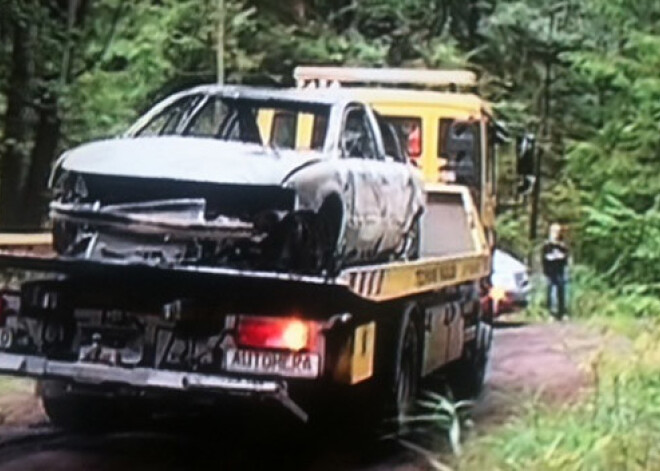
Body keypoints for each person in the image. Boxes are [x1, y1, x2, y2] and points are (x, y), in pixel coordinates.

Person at [542, 223, 569, 319]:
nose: (556, 234)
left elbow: (566, 256)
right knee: (552, 292)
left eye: (558, 231)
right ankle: (552, 313)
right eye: (554, 231)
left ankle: (562, 312)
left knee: (563, 291)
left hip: (561, 270)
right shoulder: (547, 244)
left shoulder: (563, 244)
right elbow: (544, 257)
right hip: (551, 271)